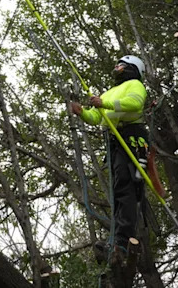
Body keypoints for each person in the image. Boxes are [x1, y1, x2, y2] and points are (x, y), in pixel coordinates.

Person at [69, 55, 149, 257]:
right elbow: (97, 117)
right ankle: (117, 240)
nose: (117, 68)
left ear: (132, 69)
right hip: (115, 141)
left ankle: (123, 239)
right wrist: (83, 113)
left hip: (132, 138)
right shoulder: (110, 92)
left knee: (126, 185)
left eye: (121, 65)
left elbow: (135, 104)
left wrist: (105, 103)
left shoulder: (135, 84)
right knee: (118, 188)